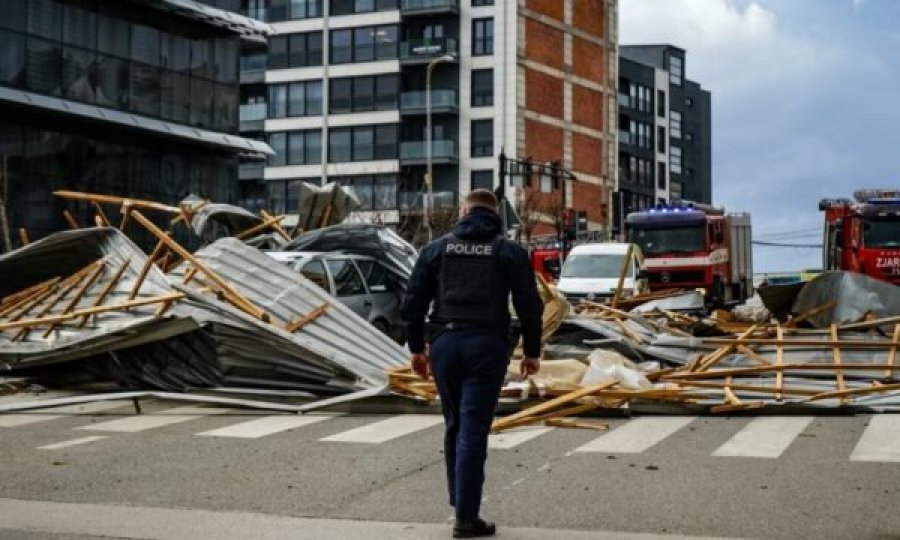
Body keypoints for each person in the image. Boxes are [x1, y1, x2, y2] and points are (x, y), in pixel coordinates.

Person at [401, 189, 543, 538]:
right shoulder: (509, 252)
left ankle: (459, 500)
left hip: (446, 345)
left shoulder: (436, 249)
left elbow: (413, 302)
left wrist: (417, 349)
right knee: (474, 428)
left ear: (464, 211)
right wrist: (532, 352)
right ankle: (466, 516)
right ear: (496, 215)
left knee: (454, 424)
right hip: (487, 347)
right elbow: (530, 306)